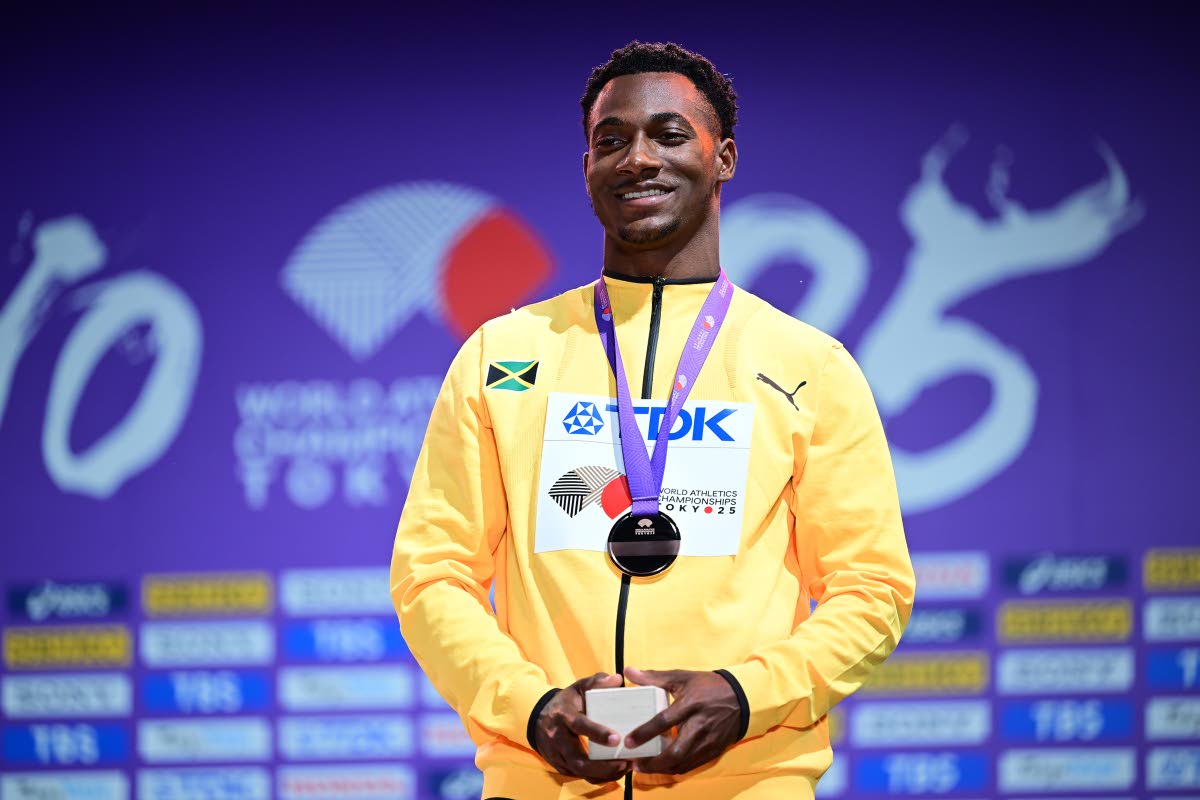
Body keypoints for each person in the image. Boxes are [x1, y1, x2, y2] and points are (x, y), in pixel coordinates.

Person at [391, 41, 915, 800]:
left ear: (723, 156)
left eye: (669, 134)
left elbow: (872, 589)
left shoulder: (811, 365)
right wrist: (530, 707)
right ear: (587, 170)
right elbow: (432, 574)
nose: (639, 159)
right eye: (612, 141)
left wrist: (743, 697)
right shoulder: (502, 356)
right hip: (545, 782)